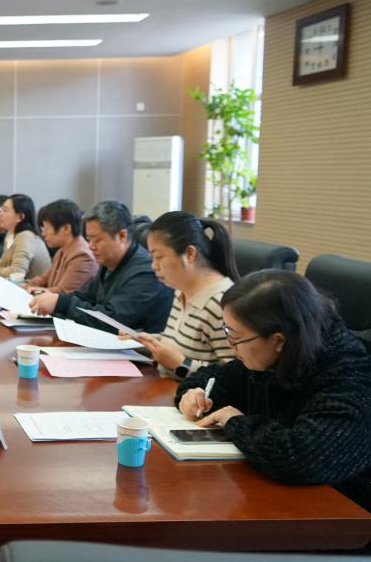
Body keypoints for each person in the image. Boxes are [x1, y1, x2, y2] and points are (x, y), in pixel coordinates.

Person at [175, 270, 371, 511]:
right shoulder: (280, 355)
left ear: (278, 340)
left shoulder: (351, 376)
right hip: (282, 499)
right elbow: (215, 378)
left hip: (344, 513)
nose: (231, 346)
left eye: (235, 337)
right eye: (227, 332)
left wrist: (235, 421)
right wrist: (194, 393)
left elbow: (300, 458)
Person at [32, 200, 173, 333]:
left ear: (122, 236)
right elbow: (85, 297)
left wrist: (62, 303)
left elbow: (113, 321)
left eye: (97, 240)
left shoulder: (146, 273)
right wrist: (55, 300)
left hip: (138, 348)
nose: (90, 246)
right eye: (88, 240)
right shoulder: (109, 262)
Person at [131, 211, 239, 379]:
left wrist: (181, 364)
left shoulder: (221, 303)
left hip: (192, 394)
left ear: (190, 253)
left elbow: (235, 378)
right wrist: (142, 341)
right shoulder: (182, 289)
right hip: (166, 386)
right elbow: (177, 344)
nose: (154, 266)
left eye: (159, 257)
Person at [0, 194, 51, 280]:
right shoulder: (10, 234)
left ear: (20, 217)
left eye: (5, 210)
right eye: (1, 210)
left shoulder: (26, 236)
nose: (0, 214)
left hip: (32, 287)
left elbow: (18, 272)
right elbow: (4, 260)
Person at [26, 199, 97, 294]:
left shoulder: (82, 256)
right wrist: (26, 284)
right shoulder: (62, 250)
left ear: (67, 228)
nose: (43, 234)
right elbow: (44, 278)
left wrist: (31, 289)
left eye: (47, 228)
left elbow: (63, 292)